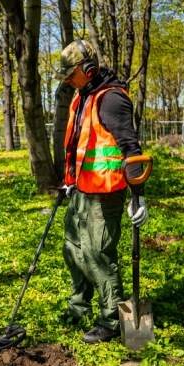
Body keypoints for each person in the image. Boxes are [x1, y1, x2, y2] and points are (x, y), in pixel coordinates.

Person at [54, 39, 148, 344]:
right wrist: (70, 181)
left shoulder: (111, 100)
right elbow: (79, 147)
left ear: (89, 69)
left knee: (97, 254)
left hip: (105, 193)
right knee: (72, 249)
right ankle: (78, 307)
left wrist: (139, 197)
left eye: (71, 73)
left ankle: (110, 322)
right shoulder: (83, 97)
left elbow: (131, 150)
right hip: (81, 189)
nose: (67, 79)